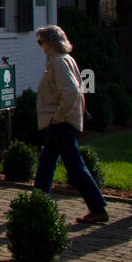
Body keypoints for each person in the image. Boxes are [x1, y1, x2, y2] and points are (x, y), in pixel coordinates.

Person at [35, 25, 109, 224]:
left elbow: (71, 92)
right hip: (60, 122)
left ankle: (98, 207)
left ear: (50, 43)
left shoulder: (59, 62)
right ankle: (37, 203)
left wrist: (58, 116)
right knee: (47, 163)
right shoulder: (65, 60)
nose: (41, 46)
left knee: (75, 167)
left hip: (61, 123)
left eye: (41, 42)